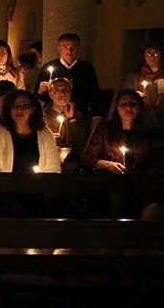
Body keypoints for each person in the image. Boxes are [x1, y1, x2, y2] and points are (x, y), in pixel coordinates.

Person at [81, 89, 160, 219]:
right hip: (109, 184)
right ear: (116, 107)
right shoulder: (104, 128)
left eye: (133, 104)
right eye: (123, 104)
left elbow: (153, 159)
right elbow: (87, 157)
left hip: (138, 185)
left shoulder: (145, 131)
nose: (128, 107)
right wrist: (107, 164)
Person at [0, 90, 60, 216]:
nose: (19, 110)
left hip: (37, 189)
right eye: (15, 106)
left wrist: (38, 186)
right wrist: (16, 185)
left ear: (32, 110)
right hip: (5, 190)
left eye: (25, 106)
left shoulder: (44, 133)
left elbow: (53, 167)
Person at [34, 33, 100, 117]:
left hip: (80, 114)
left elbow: (94, 94)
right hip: (54, 115)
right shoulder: (48, 67)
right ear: (59, 48)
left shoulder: (86, 68)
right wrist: (41, 91)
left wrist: (96, 116)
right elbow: (38, 95)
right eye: (65, 48)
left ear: (78, 48)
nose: (69, 51)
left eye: (73, 47)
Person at [43, 78, 87, 169]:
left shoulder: (78, 116)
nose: (62, 94)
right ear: (50, 94)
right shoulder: (43, 116)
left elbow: (80, 141)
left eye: (66, 90)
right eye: (57, 91)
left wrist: (71, 119)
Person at [122, 40, 164, 109]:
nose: (151, 56)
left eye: (155, 53)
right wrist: (135, 97)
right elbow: (125, 97)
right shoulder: (134, 78)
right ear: (144, 56)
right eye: (148, 53)